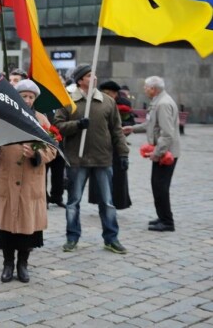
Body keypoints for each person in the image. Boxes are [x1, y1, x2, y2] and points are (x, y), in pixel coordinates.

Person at [0, 79, 57, 283]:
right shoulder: (3, 116)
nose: (27, 99)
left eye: (31, 97)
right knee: (6, 227)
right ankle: (8, 264)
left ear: (35, 99)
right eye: (23, 96)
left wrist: (37, 155)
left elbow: (52, 148)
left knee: (28, 227)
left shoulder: (41, 120)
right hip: (6, 180)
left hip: (30, 182)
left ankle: (22, 264)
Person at [53, 64, 129, 254]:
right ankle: (72, 237)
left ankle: (111, 238)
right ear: (80, 80)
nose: (93, 77)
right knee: (73, 202)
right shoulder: (68, 101)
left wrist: (123, 153)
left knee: (107, 202)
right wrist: (77, 125)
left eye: (94, 74)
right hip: (77, 160)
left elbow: (117, 130)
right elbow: (57, 126)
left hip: (102, 159)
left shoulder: (107, 102)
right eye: (88, 75)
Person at [123, 76, 180, 232]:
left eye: (146, 87)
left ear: (154, 89)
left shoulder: (163, 104)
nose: (144, 89)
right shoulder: (159, 101)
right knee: (157, 186)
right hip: (162, 151)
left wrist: (157, 152)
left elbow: (167, 133)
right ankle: (162, 217)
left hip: (165, 153)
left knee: (160, 187)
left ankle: (167, 222)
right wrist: (132, 129)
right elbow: (150, 124)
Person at [90, 80, 133, 210]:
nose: (108, 96)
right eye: (105, 93)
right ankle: (100, 200)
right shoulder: (96, 102)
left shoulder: (124, 103)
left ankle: (117, 202)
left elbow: (130, 120)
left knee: (117, 176)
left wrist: (122, 128)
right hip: (99, 145)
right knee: (99, 174)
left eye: (111, 93)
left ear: (115, 94)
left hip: (116, 145)